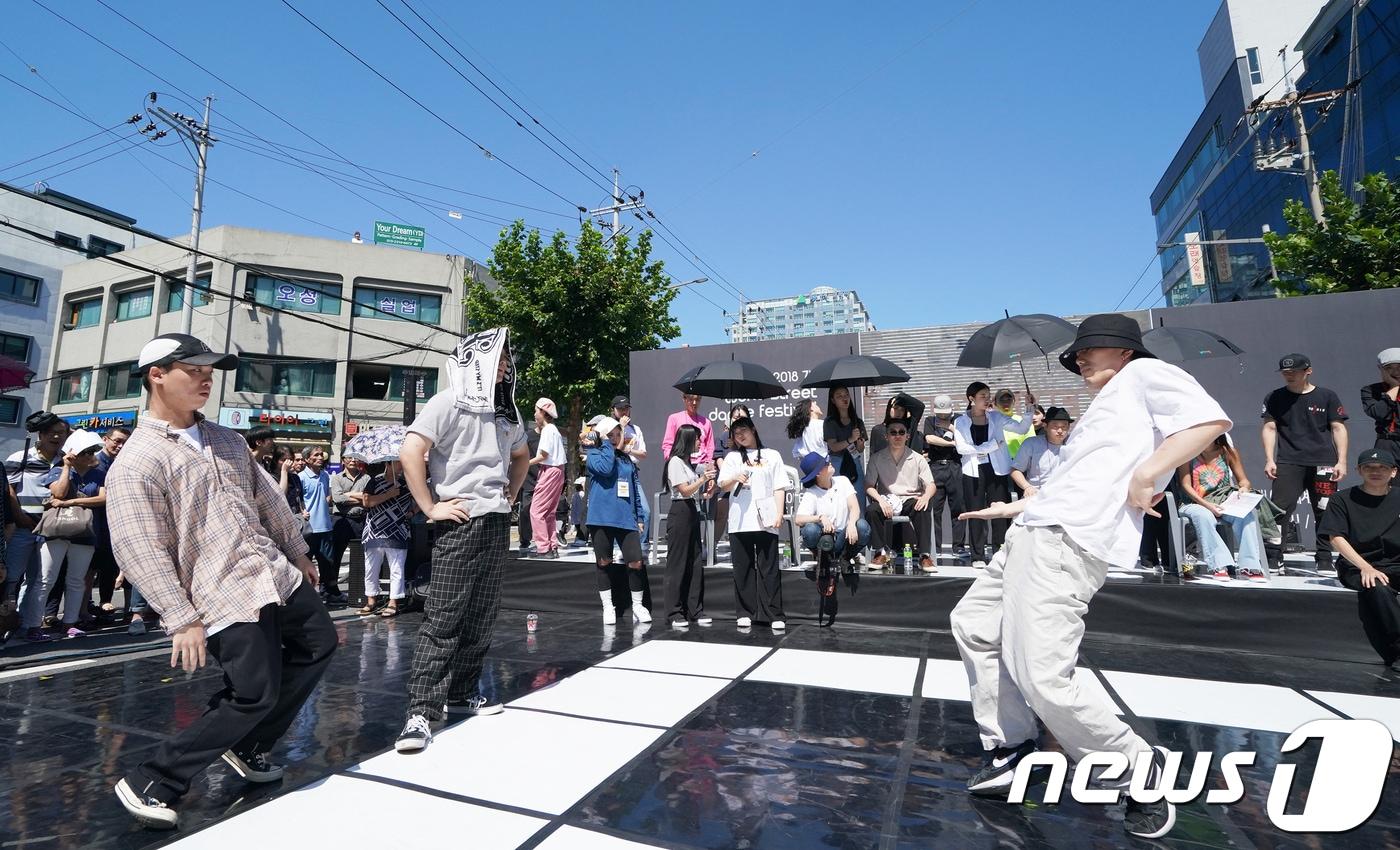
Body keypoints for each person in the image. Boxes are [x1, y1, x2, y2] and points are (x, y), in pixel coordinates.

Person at [951, 313, 1231, 840]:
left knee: (1044, 675)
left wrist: (1149, 474)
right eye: (1079, 350)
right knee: (974, 625)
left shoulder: (1145, 375)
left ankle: (1136, 771)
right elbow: (1077, 483)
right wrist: (1013, 511)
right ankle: (1013, 747)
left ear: (1124, 351)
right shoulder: (1106, 403)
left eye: (1092, 348)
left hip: (1064, 544)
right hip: (1034, 530)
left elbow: (1208, 421)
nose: (1081, 357)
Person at [107, 333, 335, 829]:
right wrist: (180, 616)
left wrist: (297, 551)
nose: (207, 378)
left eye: (211, 369)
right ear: (157, 374)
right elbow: (138, 544)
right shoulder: (139, 459)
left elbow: (268, 501)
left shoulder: (226, 439)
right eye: (194, 369)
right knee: (253, 692)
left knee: (320, 642)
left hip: (270, 572)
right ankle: (155, 777)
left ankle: (250, 744)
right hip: (218, 592)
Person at [394, 328, 529, 754]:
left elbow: (522, 455)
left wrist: (510, 494)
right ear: (478, 359)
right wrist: (431, 506)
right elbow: (410, 450)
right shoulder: (448, 401)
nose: (506, 365)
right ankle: (421, 711)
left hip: (495, 520)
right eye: (501, 358)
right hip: (459, 519)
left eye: (508, 360)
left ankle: (461, 691)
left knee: (482, 614)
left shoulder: (508, 412)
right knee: (444, 616)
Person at [1261, 353, 1347, 574]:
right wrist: (1270, 459)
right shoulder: (1274, 397)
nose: (1288, 375)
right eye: (1285, 372)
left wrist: (1342, 461)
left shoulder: (1327, 396)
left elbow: (1338, 428)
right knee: (1278, 511)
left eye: (1293, 371)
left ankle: (1325, 558)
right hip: (1288, 461)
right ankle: (1274, 557)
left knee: (1324, 511)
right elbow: (1270, 428)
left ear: (1308, 370)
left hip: (1323, 462)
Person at [1318, 448, 1400, 668]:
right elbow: (1335, 538)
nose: (1376, 472)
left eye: (1382, 467)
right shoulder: (1341, 499)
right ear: (1358, 471)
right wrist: (1365, 567)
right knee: (1377, 586)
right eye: (1369, 468)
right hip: (1357, 565)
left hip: (1396, 562)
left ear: (1393, 472)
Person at [718, 417, 787, 630]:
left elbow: (779, 487)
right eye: (736, 432)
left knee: (769, 568)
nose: (740, 435)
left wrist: (779, 513)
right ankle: (745, 611)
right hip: (740, 521)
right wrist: (734, 478)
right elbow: (723, 485)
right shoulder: (731, 458)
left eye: (744, 430)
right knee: (743, 568)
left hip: (765, 519)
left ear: (754, 430)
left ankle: (773, 613)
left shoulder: (772, 455)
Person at [955, 382, 1035, 565]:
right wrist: (990, 446)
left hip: (997, 469)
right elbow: (962, 448)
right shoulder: (961, 421)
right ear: (971, 399)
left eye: (988, 395)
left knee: (999, 511)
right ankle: (977, 555)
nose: (987, 399)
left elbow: (1022, 428)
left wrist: (1029, 408)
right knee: (976, 512)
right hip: (973, 471)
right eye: (982, 396)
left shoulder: (997, 417)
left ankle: (1000, 551)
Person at [5, 411, 68, 643]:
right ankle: (6, 621)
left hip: (51, 528)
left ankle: (30, 625)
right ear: (41, 434)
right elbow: (9, 490)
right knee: (11, 577)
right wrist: (18, 515)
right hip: (22, 527)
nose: (57, 437)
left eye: (62, 433)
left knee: (41, 580)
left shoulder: (65, 460)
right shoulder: (19, 457)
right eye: (53, 433)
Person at [37, 429, 108, 637]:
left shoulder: (100, 474)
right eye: (85, 452)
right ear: (73, 453)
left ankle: (70, 623)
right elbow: (57, 492)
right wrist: (67, 467)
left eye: (92, 451)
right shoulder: (58, 470)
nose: (89, 456)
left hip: (85, 532)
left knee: (77, 580)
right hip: (56, 531)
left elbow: (103, 499)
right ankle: (32, 624)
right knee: (45, 579)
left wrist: (72, 501)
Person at [1176, 435, 1269, 581]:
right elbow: (1186, 485)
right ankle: (1219, 565)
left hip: (1223, 502)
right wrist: (1206, 505)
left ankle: (1250, 566)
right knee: (1203, 515)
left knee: (1246, 516)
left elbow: (1244, 480)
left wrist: (1243, 488)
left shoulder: (1228, 452)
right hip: (1192, 503)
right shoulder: (1188, 453)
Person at [585, 416, 649, 625]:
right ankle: (608, 607)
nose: (614, 438)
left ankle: (638, 606)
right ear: (602, 436)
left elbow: (634, 489)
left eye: (617, 434)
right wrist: (603, 444)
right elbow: (604, 469)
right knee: (604, 562)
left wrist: (639, 516)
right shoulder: (593, 453)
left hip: (625, 517)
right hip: (601, 517)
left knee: (636, 561)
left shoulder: (626, 458)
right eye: (609, 435)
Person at [864, 419, 937, 571]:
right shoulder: (876, 458)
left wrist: (925, 497)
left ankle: (924, 556)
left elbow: (931, 485)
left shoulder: (917, 458)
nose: (897, 436)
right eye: (893, 432)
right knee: (872, 510)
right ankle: (880, 553)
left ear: (907, 436)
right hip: (887, 500)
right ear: (887, 436)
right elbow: (869, 486)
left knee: (923, 507)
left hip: (910, 499)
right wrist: (880, 500)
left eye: (901, 432)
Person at [662, 424, 714, 629]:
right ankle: (674, 611)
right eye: (697, 438)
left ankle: (695, 609)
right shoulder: (674, 461)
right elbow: (683, 490)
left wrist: (706, 491)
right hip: (680, 512)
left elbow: (693, 492)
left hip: (692, 510)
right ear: (688, 439)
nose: (700, 442)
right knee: (677, 563)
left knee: (694, 562)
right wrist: (703, 479)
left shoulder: (689, 463)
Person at [357, 460, 415, 617]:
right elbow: (367, 501)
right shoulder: (375, 480)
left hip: (397, 530)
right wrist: (389, 494)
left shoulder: (407, 483)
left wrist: (412, 513)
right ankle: (371, 599)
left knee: (397, 568)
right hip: (374, 531)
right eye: (398, 463)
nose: (402, 466)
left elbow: (420, 499)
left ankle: (393, 601)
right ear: (388, 464)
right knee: (371, 567)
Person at [795, 451, 869, 565]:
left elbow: (854, 507)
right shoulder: (811, 493)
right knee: (810, 530)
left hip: (845, 536)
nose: (829, 462)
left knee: (863, 527)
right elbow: (798, 519)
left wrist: (851, 524)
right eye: (825, 463)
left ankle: (846, 558)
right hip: (824, 538)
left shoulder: (843, 481)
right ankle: (822, 558)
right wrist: (820, 518)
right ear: (818, 473)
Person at [91, 426, 129, 616]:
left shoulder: (123, 463)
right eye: (117, 441)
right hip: (93, 523)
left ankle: (105, 602)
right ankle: (88, 606)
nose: (120, 446)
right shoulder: (94, 462)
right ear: (106, 439)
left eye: (124, 442)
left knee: (109, 565)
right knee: (88, 569)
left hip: (113, 523)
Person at [923, 394, 966, 561]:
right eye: (939, 412)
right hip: (935, 466)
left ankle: (958, 547)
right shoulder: (930, 420)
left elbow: (964, 438)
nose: (942, 415)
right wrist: (951, 443)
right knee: (935, 509)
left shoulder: (959, 419)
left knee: (958, 508)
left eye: (945, 412)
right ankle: (936, 547)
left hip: (955, 465)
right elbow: (929, 438)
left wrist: (952, 429)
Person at [528, 398, 567, 559]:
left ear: (543, 412)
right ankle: (552, 546)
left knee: (536, 511)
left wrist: (524, 464)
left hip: (550, 471)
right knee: (549, 512)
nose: (535, 414)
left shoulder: (548, 430)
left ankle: (543, 548)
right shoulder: (554, 430)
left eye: (536, 410)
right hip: (558, 471)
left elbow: (543, 455)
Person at [298, 447, 340, 601]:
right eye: (316, 455)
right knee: (305, 562)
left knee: (327, 563)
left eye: (321, 454)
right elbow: (297, 499)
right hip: (308, 528)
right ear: (307, 459)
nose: (320, 457)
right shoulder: (300, 477)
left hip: (326, 526)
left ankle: (329, 592)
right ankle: (305, 595)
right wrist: (302, 510)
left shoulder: (325, 475)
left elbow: (328, 496)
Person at [1009, 406, 1072, 499]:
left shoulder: (1073, 443)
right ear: (1045, 426)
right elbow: (1015, 470)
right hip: (1037, 494)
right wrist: (1027, 487)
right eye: (1055, 426)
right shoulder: (1031, 443)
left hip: (1065, 494)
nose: (1060, 431)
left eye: (1064, 426)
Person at [613, 396, 650, 550]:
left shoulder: (636, 429)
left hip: (632, 470)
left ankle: (640, 547)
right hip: (615, 471)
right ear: (613, 410)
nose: (624, 412)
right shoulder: (609, 428)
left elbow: (643, 454)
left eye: (626, 408)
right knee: (619, 509)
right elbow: (613, 449)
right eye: (620, 409)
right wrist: (620, 428)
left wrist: (629, 450)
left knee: (645, 511)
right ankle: (617, 548)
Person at [329, 456, 370, 590]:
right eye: (349, 458)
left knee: (361, 557)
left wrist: (348, 495)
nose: (352, 460)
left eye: (356, 458)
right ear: (343, 460)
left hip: (360, 519)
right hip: (341, 519)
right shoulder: (337, 478)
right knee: (336, 556)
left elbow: (369, 498)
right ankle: (333, 589)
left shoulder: (367, 478)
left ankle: (358, 589)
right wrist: (360, 498)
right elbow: (337, 498)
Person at [824, 385, 867, 510]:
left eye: (846, 395)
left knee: (859, 500)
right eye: (839, 396)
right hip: (837, 463)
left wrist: (859, 443)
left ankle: (860, 526)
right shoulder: (829, 422)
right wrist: (850, 440)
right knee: (839, 503)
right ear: (833, 400)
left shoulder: (857, 421)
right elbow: (833, 447)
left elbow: (860, 449)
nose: (844, 399)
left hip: (854, 462)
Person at [1361, 347, 1400, 459]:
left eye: (1399, 367)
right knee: (1386, 476)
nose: (1396, 372)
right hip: (1387, 444)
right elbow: (1378, 413)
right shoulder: (1370, 390)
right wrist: (1395, 387)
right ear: (1380, 369)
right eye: (1389, 368)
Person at [994, 388, 1034, 462]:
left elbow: (1031, 446)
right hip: (998, 466)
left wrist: (1029, 405)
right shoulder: (991, 422)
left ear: (1014, 402)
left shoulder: (1024, 421)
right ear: (995, 403)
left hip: (1020, 464)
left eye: (1009, 399)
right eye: (1002, 400)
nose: (1006, 403)